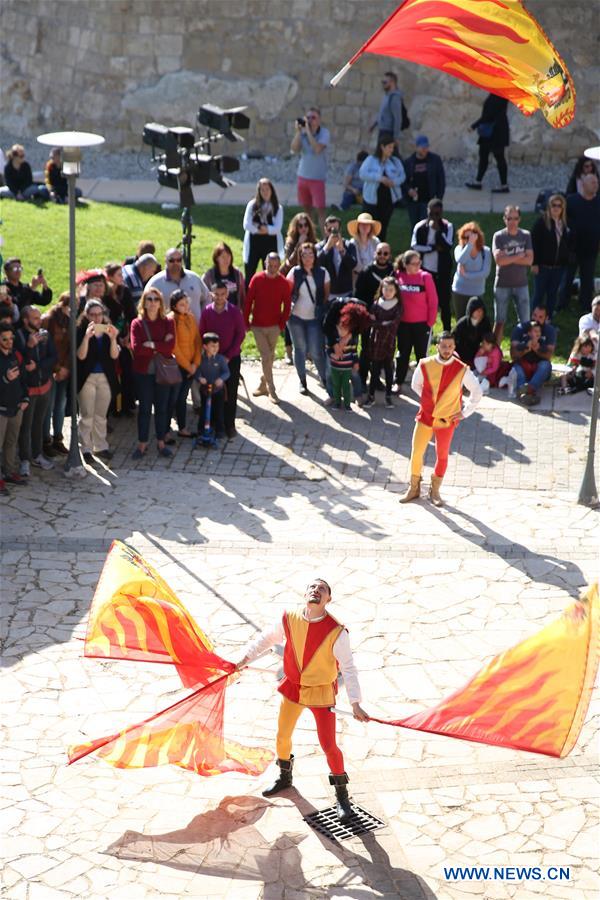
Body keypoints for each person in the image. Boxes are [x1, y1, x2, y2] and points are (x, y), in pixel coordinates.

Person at [235, 577, 369, 824]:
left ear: (328, 599)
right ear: (305, 594)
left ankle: (342, 796)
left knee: (328, 745)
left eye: (322, 589)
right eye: (313, 587)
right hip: (294, 688)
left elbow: (349, 667)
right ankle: (285, 778)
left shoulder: (336, 631)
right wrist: (242, 660)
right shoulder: (289, 618)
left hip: (320, 692)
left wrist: (355, 703)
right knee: (282, 736)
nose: (316, 591)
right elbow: (265, 639)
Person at [400, 332, 482, 506]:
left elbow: (477, 391)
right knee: (416, 453)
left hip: (447, 420)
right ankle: (414, 488)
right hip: (426, 417)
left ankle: (435, 490)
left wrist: (465, 412)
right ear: (437, 346)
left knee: (442, 456)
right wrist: (429, 400)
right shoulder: (425, 364)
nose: (447, 350)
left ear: (454, 347)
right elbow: (415, 385)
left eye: (450, 346)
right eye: (443, 346)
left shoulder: (462, 369)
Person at [130, 287, 177, 460]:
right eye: (149, 299)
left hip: (162, 372)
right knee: (144, 408)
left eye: (156, 299)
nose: (152, 303)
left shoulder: (168, 322)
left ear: (161, 303)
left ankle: (161, 442)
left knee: (162, 408)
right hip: (144, 372)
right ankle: (142, 443)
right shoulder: (137, 323)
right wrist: (159, 345)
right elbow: (137, 349)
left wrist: (150, 344)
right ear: (144, 302)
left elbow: (170, 348)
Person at [199, 282, 246, 440]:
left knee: (230, 392)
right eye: (216, 294)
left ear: (227, 294)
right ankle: (212, 424)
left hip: (230, 358)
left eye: (222, 294)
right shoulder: (206, 312)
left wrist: (228, 355)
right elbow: (202, 333)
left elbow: (240, 334)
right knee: (212, 391)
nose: (219, 297)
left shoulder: (234, 312)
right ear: (211, 295)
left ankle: (229, 425)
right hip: (211, 359)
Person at [15, 306, 57, 476]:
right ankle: (25, 459)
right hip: (28, 390)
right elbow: (22, 364)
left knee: (38, 423)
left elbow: (53, 357)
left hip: (44, 386)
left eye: (39, 318)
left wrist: (38, 366)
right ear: (25, 320)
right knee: (26, 426)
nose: (39, 322)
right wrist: (30, 346)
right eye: (34, 318)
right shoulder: (18, 336)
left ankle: (37, 454)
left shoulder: (45, 334)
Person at [245, 252, 292, 404]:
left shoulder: (283, 283)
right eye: (269, 265)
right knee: (266, 356)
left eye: (275, 266)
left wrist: (281, 324)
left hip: (274, 326)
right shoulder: (257, 279)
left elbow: (287, 306)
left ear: (279, 266)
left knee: (270, 358)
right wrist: (246, 322)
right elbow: (248, 301)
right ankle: (272, 390)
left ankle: (262, 383)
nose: (272, 268)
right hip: (258, 326)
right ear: (265, 264)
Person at [76, 300, 119, 463]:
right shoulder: (81, 330)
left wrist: (113, 338)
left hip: (105, 377)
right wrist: (87, 337)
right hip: (87, 378)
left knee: (101, 415)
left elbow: (114, 356)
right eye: (92, 314)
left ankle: (100, 446)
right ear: (86, 315)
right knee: (87, 414)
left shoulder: (108, 330)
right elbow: (81, 356)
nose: (96, 318)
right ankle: (85, 448)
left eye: (99, 314)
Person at [286, 243, 330, 396]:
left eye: (310, 254)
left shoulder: (323, 273)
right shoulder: (294, 272)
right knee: (300, 349)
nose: (308, 258)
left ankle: (325, 378)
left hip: (314, 318)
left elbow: (325, 295)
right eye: (304, 255)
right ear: (300, 256)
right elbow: (287, 292)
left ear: (315, 256)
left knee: (316, 351)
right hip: (295, 318)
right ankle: (302, 381)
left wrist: (320, 311)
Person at [393, 250, 438, 393]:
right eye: (414, 263)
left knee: (421, 356)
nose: (418, 265)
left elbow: (433, 301)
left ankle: (424, 384)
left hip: (422, 324)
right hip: (403, 323)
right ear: (405, 265)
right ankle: (398, 382)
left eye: (419, 262)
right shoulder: (398, 276)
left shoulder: (426, 277)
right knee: (402, 354)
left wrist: (430, 323)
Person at [280, 215, 318, 366]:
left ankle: (307, 350)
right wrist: (298, 247)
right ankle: (289, 351)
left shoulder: (314, 243)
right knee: (292, 317)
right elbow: (288, 264)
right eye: (300, 226)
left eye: (305, 225)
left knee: (309, 317)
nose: (303, 229)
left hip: (310, 285)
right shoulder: (290, 243)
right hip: (293, 285)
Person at [492, 206, 533, 343]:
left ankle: (522, 351)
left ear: (519, 219)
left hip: (521, 284)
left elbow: (529, 260)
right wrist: (519, 255)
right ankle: (495, 352)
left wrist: (509, 256)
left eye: (515, 218)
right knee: (499, 321)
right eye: (509, 218)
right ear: (504, 219)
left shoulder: (526, 235)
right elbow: (498, 260)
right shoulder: (498, 236)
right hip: (502, 284)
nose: (512, 222)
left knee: (525, 322)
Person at [410, 198, 454, 330]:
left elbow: (448, 246)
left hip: (442, 272)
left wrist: (439, 233)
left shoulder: (447, 226)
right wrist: (432, 248)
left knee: (444, 303)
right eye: (432, 214)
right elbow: (414, 246)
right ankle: (426, 329)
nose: (434, 217)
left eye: (437, 214)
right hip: (425, 271)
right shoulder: (420, 227)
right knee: (425, 302)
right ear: (427, 211)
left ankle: (446, 330)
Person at [562, 174, 600, 312]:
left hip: (591, 248)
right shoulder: (572, 201)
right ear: (583, 185)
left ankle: (585, 305)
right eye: (592, 182)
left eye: (597, 182)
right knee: (568, 277)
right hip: (573, 247)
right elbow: (563, 220)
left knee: (587, 278)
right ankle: (562, 304)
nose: (596, 185)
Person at [103, 262, 137, 417]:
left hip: (124, 337)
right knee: (113, 372)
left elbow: (132, 316)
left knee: (127, 370)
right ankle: (113, 408)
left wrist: (128, 337)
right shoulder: (105, 295)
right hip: (110, 339)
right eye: (118, 275)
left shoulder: (125, 292)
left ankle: (126, 404)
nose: (122, 278)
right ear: (109, 277)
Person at [531, 194, 572, 320]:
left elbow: (568, 244)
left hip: (558, 267)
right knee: (538, 295)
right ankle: (532, 323)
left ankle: (548, 322)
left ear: (563, 208)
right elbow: (533, 243)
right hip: (543, 267)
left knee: (552, 295)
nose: (556, 208)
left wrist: (566, 260)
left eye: (559, 206)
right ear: (549, 207)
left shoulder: (565, 224)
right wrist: (534, 263)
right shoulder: (541, 222)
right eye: (553, 205)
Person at [364, 277, 403, 409]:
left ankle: (388, 396)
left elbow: (394, 324)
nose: (387, 292)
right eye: (385, 289)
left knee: (388, 369)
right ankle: (371, 396)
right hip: (376, 341)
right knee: (374, 370)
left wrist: (379, 323)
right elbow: (371, 321)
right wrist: (382, 323)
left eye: (391, 290)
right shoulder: (376, 304)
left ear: (395, 291)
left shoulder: (398, 306)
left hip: (390, 341)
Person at [358, 132, 406, 242]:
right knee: (368, 226)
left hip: (388, 200)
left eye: (392, 147)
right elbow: (362, 174)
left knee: (382, 226)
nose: (391, 150)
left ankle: (380, 249)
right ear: (382, 147)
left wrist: (394, 182)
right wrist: (379, 178)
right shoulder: (371, 160)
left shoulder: (395, 162)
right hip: (371, 200)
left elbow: (402, 176)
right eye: (389, 147)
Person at [291, 107, 330, 236]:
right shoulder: (302, 134)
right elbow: (294, 149)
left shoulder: (324, 133)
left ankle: (325, 238)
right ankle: (308, 237)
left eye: (313, 118)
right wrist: (298, 132)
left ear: (319, 120)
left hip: (317, 178)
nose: (310, 120)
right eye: (308, 118)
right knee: (307, 211)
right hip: (303, 176)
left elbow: (317, 149)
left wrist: (308, 131)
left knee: (320, 210)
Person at [41, 292, 71, 456]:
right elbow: (47, 348)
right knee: (49, 406)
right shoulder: (49, 320)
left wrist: (66, 368)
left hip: (64, 371)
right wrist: (57, 369)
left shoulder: (71, 321)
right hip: (51, 371)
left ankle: (58, 438)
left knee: (60, 405)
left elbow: (71, 347)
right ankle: (46, 440)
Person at [0, 322, 29, 491]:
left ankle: (8, 472)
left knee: (11, 442)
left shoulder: (15, 356)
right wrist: (5, 379)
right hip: (1, 409)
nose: (9, 342)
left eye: (11, 338)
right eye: (5, 339)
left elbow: (23, 379)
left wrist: (25, 398)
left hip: (16, 407)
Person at [146, 249, 210, 325]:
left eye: (178, 260)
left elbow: (207, 298)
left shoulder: (194, 278)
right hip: (168, 333)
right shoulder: (155, 282)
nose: (175, 263)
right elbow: (145, 305)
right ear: (165, 261)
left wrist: (203, 318)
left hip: (195, 332)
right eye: (171, 260)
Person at [168, 289, 201, 437]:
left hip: (191, 367)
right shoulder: (171, 320)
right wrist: (188, 366)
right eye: (182, 304)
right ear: (174, 306)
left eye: (187, 303)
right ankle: (165, 430)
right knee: (172, 398)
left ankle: (183, 428)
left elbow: (197, 341)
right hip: (177, 366)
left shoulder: (191, 318)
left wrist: (195, 363)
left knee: (182, 398)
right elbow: (174, 347)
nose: (186, 306)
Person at [509, 306, 556, 406]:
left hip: (539, 366)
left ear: (546, 318)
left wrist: (536, 349)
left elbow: (548, 356)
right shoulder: (520, 328)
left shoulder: (550, 330)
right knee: (517, 369)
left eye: (540, 317)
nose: (536, 319)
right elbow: (513, 354)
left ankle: (526, 390)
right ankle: (526, 395)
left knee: (545, 365)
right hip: (522, 363)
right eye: (534, 315)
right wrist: (527, 348)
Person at [326, 303, 369, 411]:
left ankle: (356, 395)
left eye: (346, 329)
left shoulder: (353, 333)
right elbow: (328, 349)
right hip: (335, 366)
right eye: (340, 328)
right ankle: (333, 397)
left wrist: (355, 362)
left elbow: (354, 351)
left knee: (354, 375)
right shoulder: (334, 317)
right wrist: (333, 352)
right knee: (331, 376)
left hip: (348, 366)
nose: (342, 331)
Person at [242, 178, 284, 285]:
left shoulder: (277, 208)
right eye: (262, 190)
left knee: (270, 270)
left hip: (270, 241)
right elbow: (246, 224)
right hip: (254, 241)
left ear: (271, 190)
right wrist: (257, 230)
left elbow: (278, 227)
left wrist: (267, 230)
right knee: (250, 270)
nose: (265, 192)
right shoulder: (252, 205)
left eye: (267, 189)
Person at [465, 93, 510, 193]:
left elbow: (488, 115)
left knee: (498, 157)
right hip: (491, 131)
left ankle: (504, 186)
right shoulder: (497, 94)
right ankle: (478, 182)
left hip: (496, 132)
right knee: (484, 156)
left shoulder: (499, 96)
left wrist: (474, 126)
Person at [452, 222, 492, 321]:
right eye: (465, 238)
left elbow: (485, 273)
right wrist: (469, 244)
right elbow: (460, 260)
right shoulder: (459, 249)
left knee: (475, 321)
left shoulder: (485, 251)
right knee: (461, 320)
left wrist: (466, 274)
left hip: (477, 292)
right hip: (460, 291)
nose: (467, 240)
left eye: (470, 237)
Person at [403, 136, 446, 228]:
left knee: (427, 226)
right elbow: (404, 181)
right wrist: (408, 190)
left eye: (426, 147)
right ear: (416, 147)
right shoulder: (409, 162)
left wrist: (438, 199)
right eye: (422, 148)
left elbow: (441, 181)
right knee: (415, 226)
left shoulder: (435, 160)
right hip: (413, 201)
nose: (425, 150)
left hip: (428, 200)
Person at [194, 333, 230, 440]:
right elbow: (196, 372)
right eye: (212, 346)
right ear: (205, 347)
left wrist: (221, 379)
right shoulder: (200, 359)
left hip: (218, 391)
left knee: (219, 411)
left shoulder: (220, 359)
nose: (215, 348)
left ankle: (220, 431)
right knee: (204, 410)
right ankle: (201, 430)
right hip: (205, 390)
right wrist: (200, 378)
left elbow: (226, 372)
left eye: (217, 346)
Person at [315, 216, 357, 300]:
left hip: (346, 292)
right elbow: (316, 263)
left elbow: (353, 264)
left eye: (335, 230)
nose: (332, 233)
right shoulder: (319, 247)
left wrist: (342, 251)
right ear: (325, 230)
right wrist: (326, 248)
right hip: (327, 293)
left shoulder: (349, 245)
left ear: (340, 230)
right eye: (329, 230)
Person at [202, 242, 246, 310]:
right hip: (215, 315)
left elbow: (243, 296)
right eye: (223, 257)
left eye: (228, 256)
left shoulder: (238, 274)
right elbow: (203, 296)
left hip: (233, 314)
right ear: (216, 258)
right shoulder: (209, 276)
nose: (226, 260)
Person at [452, 297, 492, 368]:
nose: (479, 313)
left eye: (481, 310)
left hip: (478, 354)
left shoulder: (485, 323)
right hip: (462, 354)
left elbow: (489, 338)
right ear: (471, 311)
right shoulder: (462, 324)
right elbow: (452, 339)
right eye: (477, 310)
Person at [372, 71, 405, 153]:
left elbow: (397, 118)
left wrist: (395, 137)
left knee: (388, 156)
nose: (383, 84)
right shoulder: (387, 96)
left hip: (388, 133)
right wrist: (374, 125)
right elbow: (382, 113)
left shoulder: (394, 98)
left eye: (385, 82)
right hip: (382, 131)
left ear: (392, 82)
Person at [347, 212, 381, 276]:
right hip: (359, 275)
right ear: (358, 227)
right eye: (362, 224)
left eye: (367, 224)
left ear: (371, 227)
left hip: (375, 274)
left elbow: (379, 259)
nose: (364, 227)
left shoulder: (375, 241)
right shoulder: (353, 242)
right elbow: (356, 264)